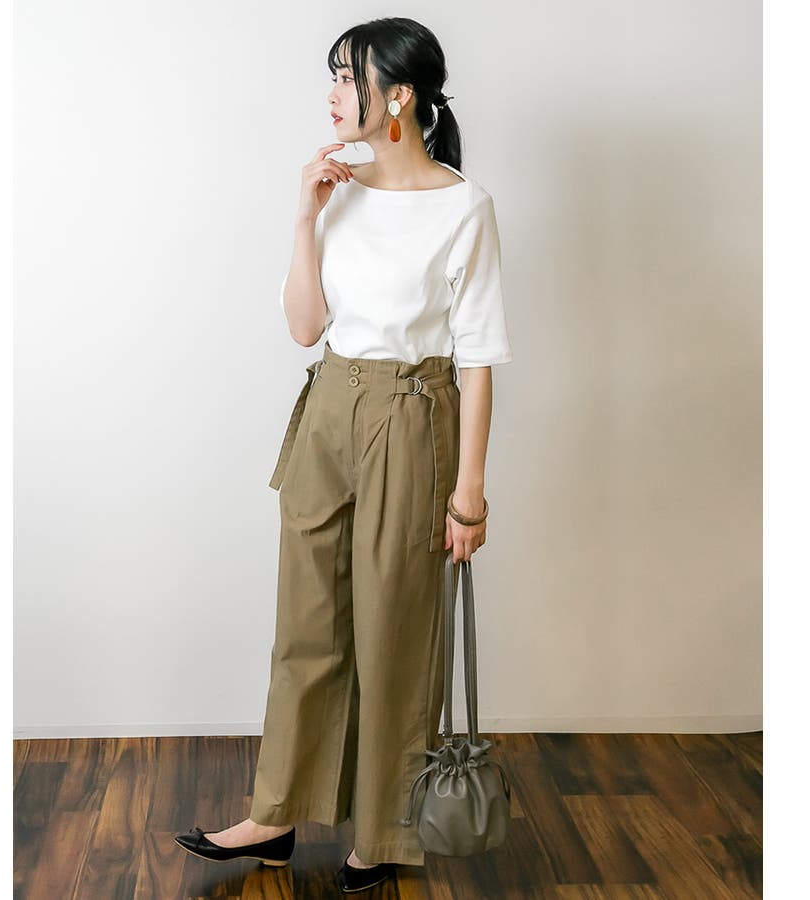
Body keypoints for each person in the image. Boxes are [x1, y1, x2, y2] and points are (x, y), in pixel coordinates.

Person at [175, 17, 513, 892]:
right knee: (306, 627)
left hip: (411, 415)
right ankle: (276, 813)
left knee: (396, 631)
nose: (331, 94)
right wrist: (306, 216)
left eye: (346, 77)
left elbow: (477, 357)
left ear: (396, 96)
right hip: (328, 405)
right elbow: (304, 327)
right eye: (332, 76)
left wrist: (469, 494)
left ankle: (388, 832)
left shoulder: (463, 207)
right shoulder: (338, 189)